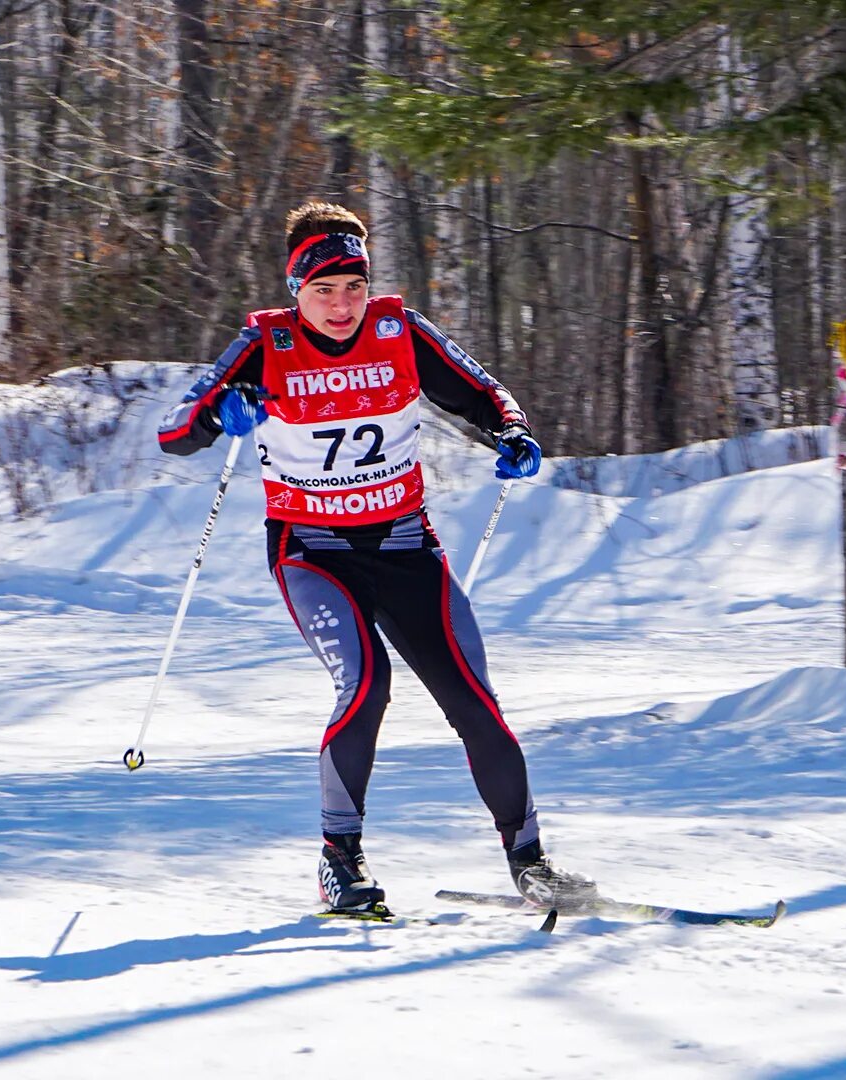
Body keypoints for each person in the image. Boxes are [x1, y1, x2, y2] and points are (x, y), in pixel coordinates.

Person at [157, 201, 592, 915]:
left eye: (352, 287)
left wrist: (512, 432)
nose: (340, 305)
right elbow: (174, 431)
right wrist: (219, 412)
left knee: (475, 702)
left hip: (405, 545)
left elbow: (483, 394)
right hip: (314, 551)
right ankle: (340, 860)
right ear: (296, 289)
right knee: (366, 684)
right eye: (323, 290)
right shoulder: (266, 343)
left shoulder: (400, 331)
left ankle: (530, 862)